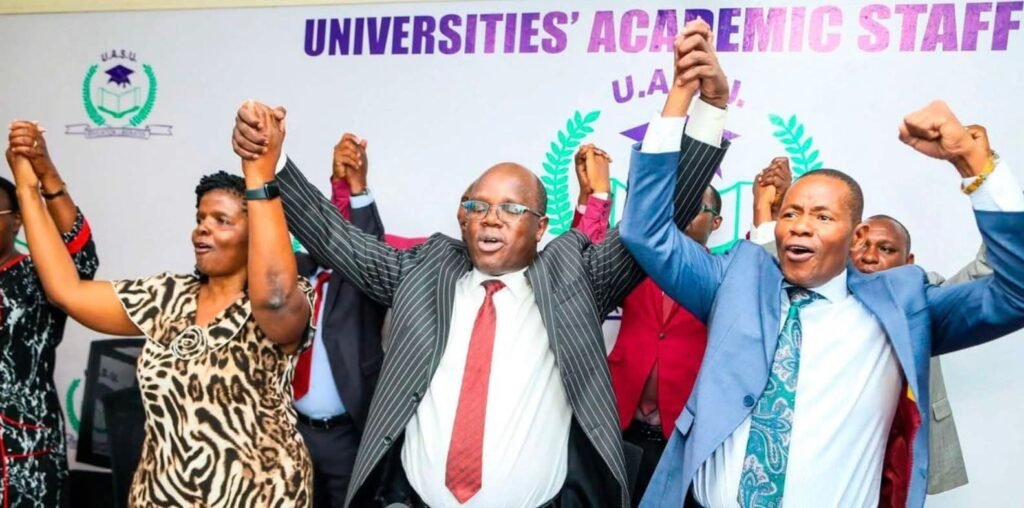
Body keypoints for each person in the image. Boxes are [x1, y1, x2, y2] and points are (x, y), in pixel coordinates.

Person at [231, 21, 730, 507]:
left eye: (512, 209)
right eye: (478, 206)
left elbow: (657, 216)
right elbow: (335, 237)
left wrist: (702, 106)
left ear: (541, 227)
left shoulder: (575, 279)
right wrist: (272, 164)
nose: (491, 218)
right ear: (461, 217)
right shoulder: (423, 273)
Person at [620, 98, 1024, 508]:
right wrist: (681, 100)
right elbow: (646, 232)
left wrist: (975, 166)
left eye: (822, 217)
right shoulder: (734, 281)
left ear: (855, 234)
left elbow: (1016, 293)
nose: (801, 226)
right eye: (790, 214)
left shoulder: (903, 307)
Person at [9, 108, 316, 506]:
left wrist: (259, 172)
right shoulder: (167, 296)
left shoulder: (289, 298)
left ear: (256, 233)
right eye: (200, 217)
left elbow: (273, 297)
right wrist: (28, 186)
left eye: (221, 220)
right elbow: (66, 291)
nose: (202, 227)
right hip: (161, 496)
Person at [749, 155, 994, 495]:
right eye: (861, 245)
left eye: (886, 249)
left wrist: (994, 187)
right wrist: (776, 211)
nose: (868, 256)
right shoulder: (813, 294)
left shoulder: (923, 302)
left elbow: (990, 271)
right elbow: (770, 270)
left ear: (908, 262)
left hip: (897, 454)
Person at [569, 143, 723, 506]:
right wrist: (592, 197)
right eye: (678, 205)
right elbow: (580, 269)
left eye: (697, 207)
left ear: (716, 222)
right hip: (615, 425)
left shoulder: (725, 275)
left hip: (679, 440)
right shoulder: (636, 263)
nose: (685, 214)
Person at [0, 122, 98, 508]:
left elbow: (81, 256)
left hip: (25, 453)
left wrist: (45, 175)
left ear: (18, 219)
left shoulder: (38, 273)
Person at [293, 132, 390, 507]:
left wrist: (356, 186)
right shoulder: (295, 272)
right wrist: (335, 184)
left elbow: (369, 247)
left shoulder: (358, 283)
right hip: (292, 432)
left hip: (346, 438)